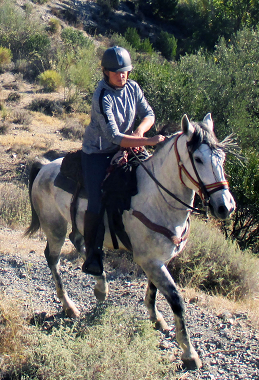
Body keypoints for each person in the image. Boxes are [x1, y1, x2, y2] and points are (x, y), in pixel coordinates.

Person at [81, 46, 165, 276]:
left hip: (129, 144)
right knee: (96, 199)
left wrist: (139, 132)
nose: (122, 75)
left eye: (125, 71)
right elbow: (113, 136)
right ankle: (93, 255)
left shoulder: (133, 87)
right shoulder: (102, 96)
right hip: (98, 153)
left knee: (150, 180)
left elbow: (149, 114)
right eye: (117, 72)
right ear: (105, 72)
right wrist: (148, 141)